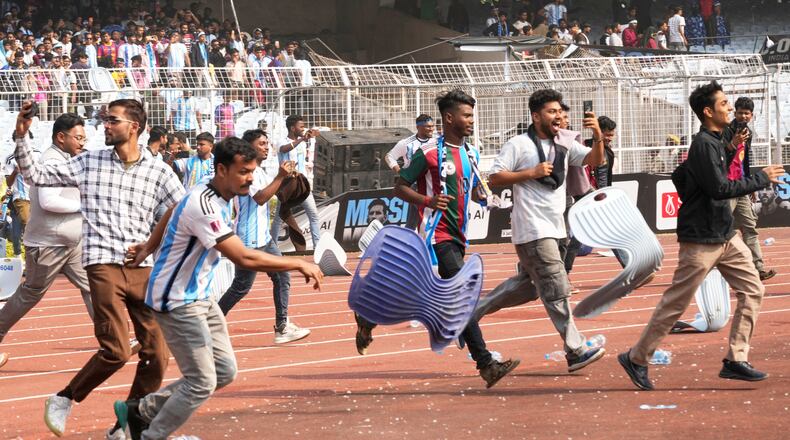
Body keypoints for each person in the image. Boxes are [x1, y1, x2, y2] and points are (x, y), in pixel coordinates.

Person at [112, 136, 323, 440]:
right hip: (176, 301)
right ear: (221, 170)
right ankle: (151, 435)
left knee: (223, 372)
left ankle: (139, 411)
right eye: (243, 172)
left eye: (252, 171)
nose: (250, 178)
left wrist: (147, 246)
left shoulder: (217, 195)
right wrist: (298, 263)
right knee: (200, 382)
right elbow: (242, 257)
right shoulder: (204, 205)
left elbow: (173, 209)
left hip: (200, 296)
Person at [13, 99, 186, 438]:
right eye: (105, 120)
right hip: (102, 262)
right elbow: (35, 174)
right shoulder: (88, 162)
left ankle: (128, 421)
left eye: (112, 120)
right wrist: (22, 136)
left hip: (141, 266)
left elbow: (182, 210)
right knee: (118, 349)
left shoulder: (159, 171)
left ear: (134, 127)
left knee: (156, 350)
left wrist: (152, 246)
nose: (105, 126)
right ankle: (64, 398)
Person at [618, 81, 786, 391]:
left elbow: (680, 176)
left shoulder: (718, 140)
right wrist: (760, 178)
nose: (730, 108)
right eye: (724, 104)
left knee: (753, 290)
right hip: (701, 240)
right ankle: (637, 357)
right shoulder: (703, 144)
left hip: (725, 235)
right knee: (675, 305)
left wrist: (730, 148)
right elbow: (720, 188)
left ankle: (736, 359)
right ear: (708, 111)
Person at [357, 89, 521, 389]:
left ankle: (367, 316)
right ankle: (486, 364)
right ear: (449, 118)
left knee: (410, 291)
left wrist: (486, 198)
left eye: (472, 115)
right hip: (435, 233)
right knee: (463, 295)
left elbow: (470, 189)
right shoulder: (429, 153)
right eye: (467, 115)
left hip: (458, 234)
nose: (472, 121)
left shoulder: (471, 152)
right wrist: (427, 201)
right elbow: (399, 187)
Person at [485, 89, 607, 372]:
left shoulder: (563, 143)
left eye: (561, 112)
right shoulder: (518, 144)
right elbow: (494, 177)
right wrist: (531, 172)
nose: (559, 116)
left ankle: (466, 317)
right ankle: (575, 350)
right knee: (557, 287)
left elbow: (594, 160)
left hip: (556, 228)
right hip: (532, 229)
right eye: (552, 112)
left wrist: (597, 134)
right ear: (536, 115)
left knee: (527, 288)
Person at [0, 114, 95, 370]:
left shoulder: (69, 158)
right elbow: (48, 202)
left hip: (71, 243)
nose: (82, 142)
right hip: (47, 245)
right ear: (60, 137)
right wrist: (85, 206)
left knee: (93, 286)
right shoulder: (51, 160)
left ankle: (111, 339)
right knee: (30, 294)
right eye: (78, 137)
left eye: (84, 138)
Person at [217, 129, 311, 344]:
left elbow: (273, 191)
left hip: (264, 239)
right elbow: (260, 197)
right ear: (250, 147)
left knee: (282, 276)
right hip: (249, 240)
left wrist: (287, 179)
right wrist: (280, 176)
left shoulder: (259, 171)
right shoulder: (245, 172)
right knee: (241, 287)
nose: (267, 147)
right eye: (262, 143)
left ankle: (282, 326)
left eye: (267, 143)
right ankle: (210, 324)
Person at [723, 97, 775, 281]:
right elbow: (720, 157)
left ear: (751, 116)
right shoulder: (725, 130)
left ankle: (758, 268)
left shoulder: (749, 133)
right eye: (739, 112)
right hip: (726, 187)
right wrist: (732, 143)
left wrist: (751, 184)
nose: (743, 116)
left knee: (750, 228)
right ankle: (710, 269)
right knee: (721, 228)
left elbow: (745, 160)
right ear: (734, 113)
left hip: (742, 186)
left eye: (746, 113)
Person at [273, 115, 321, 249]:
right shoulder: (281, 140)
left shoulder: (303, 140)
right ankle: (273, 248)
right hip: (287, 186)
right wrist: (301, 140)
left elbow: (316, 134)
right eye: (301, 126)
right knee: (278, 219)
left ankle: (317, 247)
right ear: (292, 128)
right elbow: (284, 149)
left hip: (301, 185)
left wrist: (314, 133)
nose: (303, 128)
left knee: (314, 216)